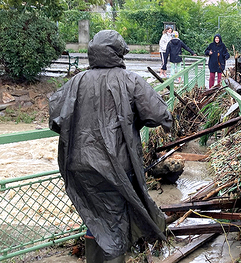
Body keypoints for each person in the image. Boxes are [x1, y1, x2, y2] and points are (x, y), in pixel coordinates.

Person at [49, 30, 172, 263]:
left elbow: (55, 117)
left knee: (94, 215)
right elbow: (159, 115)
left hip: (78, 165)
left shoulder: (76, 82)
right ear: (118, 52)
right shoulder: (130, 80)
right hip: (115, 168)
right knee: (115, 221)